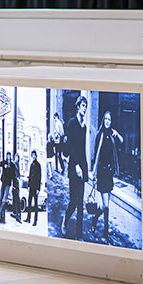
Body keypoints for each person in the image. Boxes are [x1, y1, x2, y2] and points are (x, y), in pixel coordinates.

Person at [90, 110, 124, 240]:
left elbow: (122, 140)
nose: (108, 122)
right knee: (107, 205)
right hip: (102, 172)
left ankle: (94, 220)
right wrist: (94, 173)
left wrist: (117, 133)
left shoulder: (111, 134)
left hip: (109, 173)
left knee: (104, 205)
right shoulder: (100, 135)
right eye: (106, 119)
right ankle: (105, 232)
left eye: (110, 120)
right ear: (103, 120)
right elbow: (96, 154)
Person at [62, 95, 88, 240]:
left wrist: (85, 169)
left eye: (85, 106)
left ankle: (79, 234)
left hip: (82, 166)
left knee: (81, 202)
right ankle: (65, 220)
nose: (84, 108)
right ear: (77, 106)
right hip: (74, 167)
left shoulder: (84, 126)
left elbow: (83, 149)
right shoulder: (72, 123)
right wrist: (76, 166)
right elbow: (71, 146)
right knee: (73, 200)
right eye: (82, 105)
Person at [27, 149, 42, 226]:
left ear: (36, 156)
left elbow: (39, 177)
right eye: (32, 155)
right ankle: (28, 218)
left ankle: (35, 221)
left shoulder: (38, 165)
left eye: (34, 155)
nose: (33, 157)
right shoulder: (31, 165)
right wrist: (28, 186)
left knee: (35, 204)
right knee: (29, 202)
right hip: (31, 187)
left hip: (35, 187)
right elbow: (29, 176)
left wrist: (38, 189)